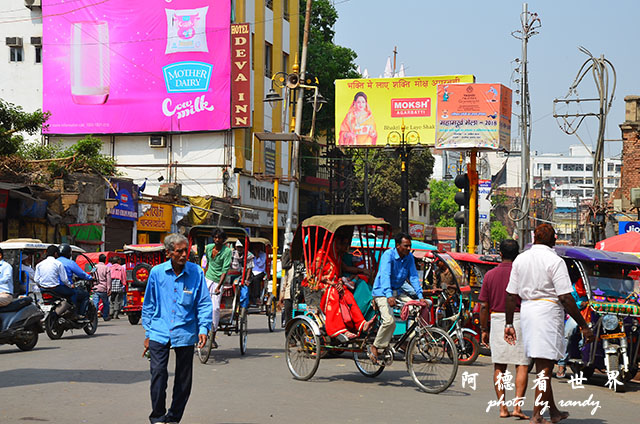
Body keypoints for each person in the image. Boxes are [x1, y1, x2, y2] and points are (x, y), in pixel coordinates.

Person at [505, 224, 595, 424]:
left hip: (527, 311)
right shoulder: (554, 260)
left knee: (543, 364)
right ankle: (537, 416)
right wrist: (584, 325)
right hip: (547, 313)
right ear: (553, 240)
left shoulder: (521, 259)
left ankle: (553, 412)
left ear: (534, 238)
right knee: (545, 369)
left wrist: (508, 323)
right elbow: (565, 297)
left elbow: (511, 295)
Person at [142, 233, 212, 424]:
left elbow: (204, 303)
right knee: (158, 373)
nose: (183, 255)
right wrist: (148, 333)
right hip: (159, 330)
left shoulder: (196, 272)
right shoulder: (156, 273)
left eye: (185, 251)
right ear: (168, 253)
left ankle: (173, 418)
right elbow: (148, 304)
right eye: (179, 251)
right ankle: (157, 416)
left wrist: (204, 328)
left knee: (183, 378)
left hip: (185, 331)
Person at [479, 239, 528, 420]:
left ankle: (502, 408)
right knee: (521, 364)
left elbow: (484, 306)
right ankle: (517, 406)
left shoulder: (490, 275)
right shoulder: (522, 274)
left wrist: (484, 329)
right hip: (520, 318)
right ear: (518, 255)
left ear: (500, 254)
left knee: (499, 366)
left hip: (498, 319)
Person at [302, 234, 373, 341]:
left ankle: (361, 324)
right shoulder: (321, 255)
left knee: (347, 294)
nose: (345, 248)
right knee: (334, 293)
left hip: (333, 285)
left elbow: (343, 270)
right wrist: (333, 283)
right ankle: (338, 329)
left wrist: (340, 282)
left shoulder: (337, 257)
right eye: (343, 244)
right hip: (320, 287)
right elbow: (315, 275)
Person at [370, 232, 423, 363]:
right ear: (398, 246)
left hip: (397, 291)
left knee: (416, 310)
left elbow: (414, 277)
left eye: (410, 246)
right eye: (406, 246)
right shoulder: (388, 255)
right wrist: (388, 295)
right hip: (382, 291)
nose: (409, 248)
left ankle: (405, 342)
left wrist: (420, 296)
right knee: (389, 321)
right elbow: (385, 276)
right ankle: (375, 346)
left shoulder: (409, 257)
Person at [204, 228, 232, 348]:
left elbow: (224, 271)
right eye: (215, 237)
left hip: (218, 281)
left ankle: (213, 336)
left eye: (219, 238)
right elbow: (207, 264)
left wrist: (219, 287)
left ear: (223, 239)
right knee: (199, 304)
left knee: (215, 308)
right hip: (207, 278)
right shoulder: (209, 248)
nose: (217, 240)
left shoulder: (227, 252)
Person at [57, 243, 92, 317]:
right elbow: (81, 274)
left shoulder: (53, 262)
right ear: (69, 253)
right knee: (84, 295)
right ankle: (78, 314)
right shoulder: (70, 263)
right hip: (64, 287)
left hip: (52, 287)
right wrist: (90, 278)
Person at [278, 243, 294, 327]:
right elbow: (285, 281)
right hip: (289, 293)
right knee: (288, 316)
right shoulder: (288, 265)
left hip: (299, 293)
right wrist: (282, 295)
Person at [93, 254, 112, 321]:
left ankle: (93, 317)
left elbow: (92, 275)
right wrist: (109, 288)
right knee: (105, 303)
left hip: (95, 287)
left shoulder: (94, 267)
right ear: (105, 260)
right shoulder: (106, 268)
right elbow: (108, 279)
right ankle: (105, 316)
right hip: (103, 288)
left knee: (95, 303)